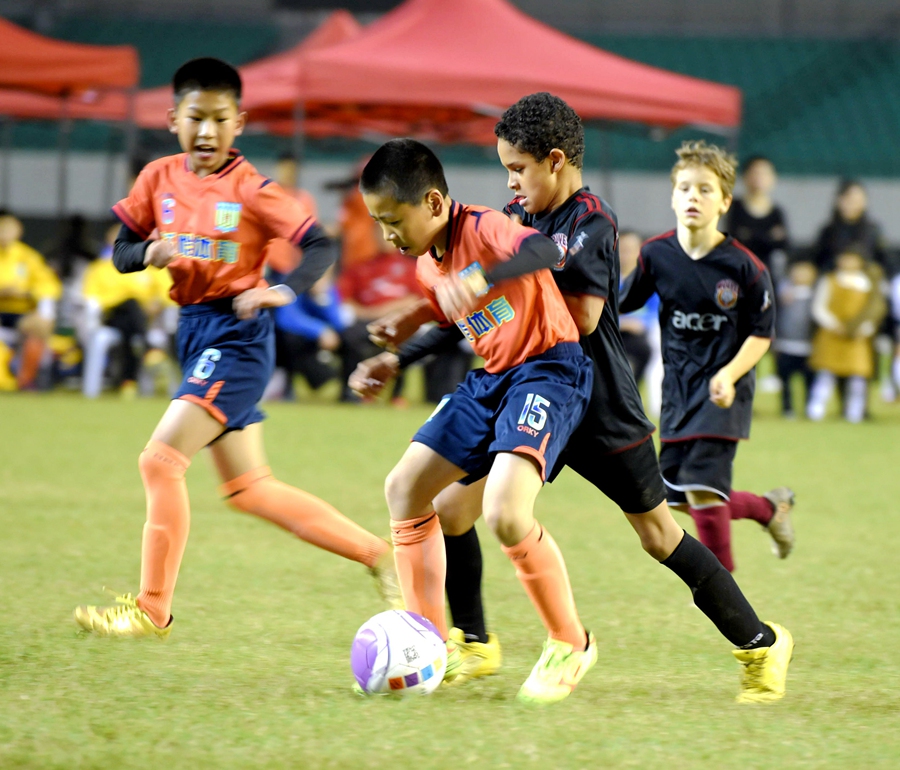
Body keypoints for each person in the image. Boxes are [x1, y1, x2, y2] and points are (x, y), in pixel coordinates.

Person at [354, 97, 795, 705]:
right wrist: (411, 342)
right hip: (523, 387)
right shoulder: (511, 219)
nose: (511, 183)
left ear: (555, 161)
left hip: (595, 402)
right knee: (452, 509)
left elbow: (583, 318)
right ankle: (472, 642)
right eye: (506, 170)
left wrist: (490, 281)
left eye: (518, 169)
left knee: (659, 535)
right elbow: (474, 307)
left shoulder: (591, 221)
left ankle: (761, 644)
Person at [74, 58, 398, 639]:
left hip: (238, 337)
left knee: (159, 460)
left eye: (220, 119)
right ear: (173, 119)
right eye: (195, 117)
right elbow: (122, 251)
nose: (206, 131)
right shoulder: (156, 178)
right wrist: (147, 254)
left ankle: (152, 609)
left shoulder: (253, 189)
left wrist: (280, 290)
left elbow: (319, 246)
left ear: (239, 123)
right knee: (249, 489)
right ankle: (379, 555)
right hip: (194, 330)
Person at [355, 137, 598, 704]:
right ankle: (428, 645)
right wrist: (398, 352)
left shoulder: (485, 226)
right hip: (492, 378)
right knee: (405, 489)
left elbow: (544, 251)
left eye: (394, 221)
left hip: (548, 371)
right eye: (379, 223)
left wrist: (478, 279)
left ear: (434, 203)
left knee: (505, 513)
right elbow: (452, 315)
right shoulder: (426, 264)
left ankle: (571, 642)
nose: (387, 235)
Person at [620, 140, 796, 580]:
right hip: (678, 390)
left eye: (704, 189)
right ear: (672, 196)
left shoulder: (745, 267)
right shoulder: (656, 255)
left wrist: (731, 375)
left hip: (723, 393)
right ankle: (768, 508)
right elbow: (617, 304)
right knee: (677, 496)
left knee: (701, 489)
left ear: (725, 201)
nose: (693, 197)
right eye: (684, 188)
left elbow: (762, 332)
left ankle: (726, 597)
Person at [79, 222, 174, 399]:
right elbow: (91, 298)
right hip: (111, 316)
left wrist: (157, 305)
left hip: (141, 318)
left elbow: (167, 292)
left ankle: (127, 382)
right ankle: (149, 349)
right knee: (130, 303)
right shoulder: (99, 268)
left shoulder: (149, 266)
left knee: (130, 327)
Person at [807, 249, 886, 422]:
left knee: (858, 378)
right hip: (831, 335)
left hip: (858, 338)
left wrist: (863, 329)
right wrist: (834, 325)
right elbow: (819, 307)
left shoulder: (868, 284)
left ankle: (854, 413)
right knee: (825, 375)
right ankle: (816, 410)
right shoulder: (830, 280)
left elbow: (874, 311)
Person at [0, 212, 62, 390]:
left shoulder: (27, 257)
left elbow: (49, 284)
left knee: (40, 326)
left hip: (20, 311)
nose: (5, 235)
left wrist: (28, 292)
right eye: (2, 230)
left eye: (9, 230)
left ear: (18, 233)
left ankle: (26, 380)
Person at [725, 156, 789, 281]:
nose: (759, 178)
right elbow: (734, 240)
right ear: (745, 176)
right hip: (739, 273)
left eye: (764, 173)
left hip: (769, 275)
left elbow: (784, 244)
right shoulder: (735, 208)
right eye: (755, 173)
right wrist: (768, 237)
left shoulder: (777, 213)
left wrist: (750, 235)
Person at [811, 180, 890, 274]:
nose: (852, 205)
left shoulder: (873, 231)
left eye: (857, 200)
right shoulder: (828, 232)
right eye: (849, 200)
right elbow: (818, 262)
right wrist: (839, 262)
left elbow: (884, 261)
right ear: (839, 200)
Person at [773, 260, 817, 418]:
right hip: (785, 345)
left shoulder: (816, 295)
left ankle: (809, 408)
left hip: (809, 346)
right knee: (785, 380)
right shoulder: (783, 294)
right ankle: (787, 408)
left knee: (809, 381)